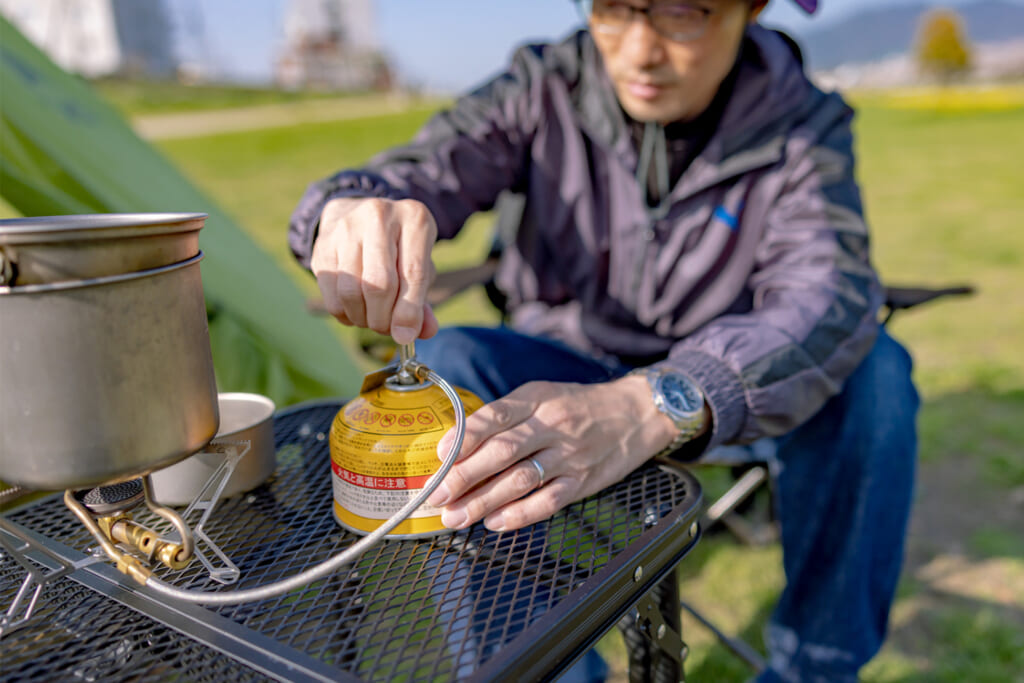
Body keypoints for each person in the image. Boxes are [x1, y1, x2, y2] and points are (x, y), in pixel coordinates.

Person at [289, 0, 919, 680]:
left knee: (874, 372)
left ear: (755, 9)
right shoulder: (542, 85)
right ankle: (536, 669)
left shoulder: (804, 123)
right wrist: (348, 206)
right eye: (614, 8)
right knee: (452, 364)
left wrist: (657, 400)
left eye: (683, 12)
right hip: (563, 372)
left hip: (725, 389)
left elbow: (824, 292)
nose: (639, 51)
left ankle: (814, 669)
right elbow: (426, 165)